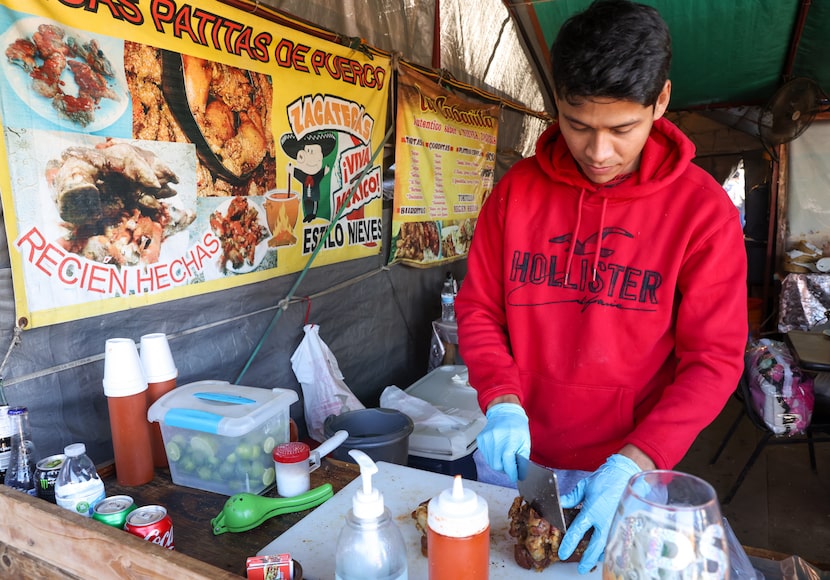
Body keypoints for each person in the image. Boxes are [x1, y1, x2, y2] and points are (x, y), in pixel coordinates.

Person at [455, 0, 747, 574]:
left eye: (622, 128)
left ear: (660, 101)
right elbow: (480, 307)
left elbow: (713, 359)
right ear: (556, 103)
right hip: (524, 463)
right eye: (578, 124)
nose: (598, 152)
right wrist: (502, 400)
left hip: (632, 474)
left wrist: (635, 463)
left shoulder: (701, 212)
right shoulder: (517, 193)